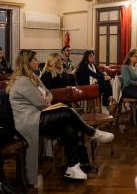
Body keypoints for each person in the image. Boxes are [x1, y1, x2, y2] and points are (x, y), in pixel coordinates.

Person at [8, 50, 114, 185]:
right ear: (27, 63)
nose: (37, 61)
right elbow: (40, 103)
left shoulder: (33, 78)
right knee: (68, 112)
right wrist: (45, 99)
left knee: (68, 127)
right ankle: (93, 132)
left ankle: (73, 166)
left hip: (39, 115)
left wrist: (47, 97)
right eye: (34, 59)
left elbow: (48, 93)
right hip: (29, 121)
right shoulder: (22, 81)